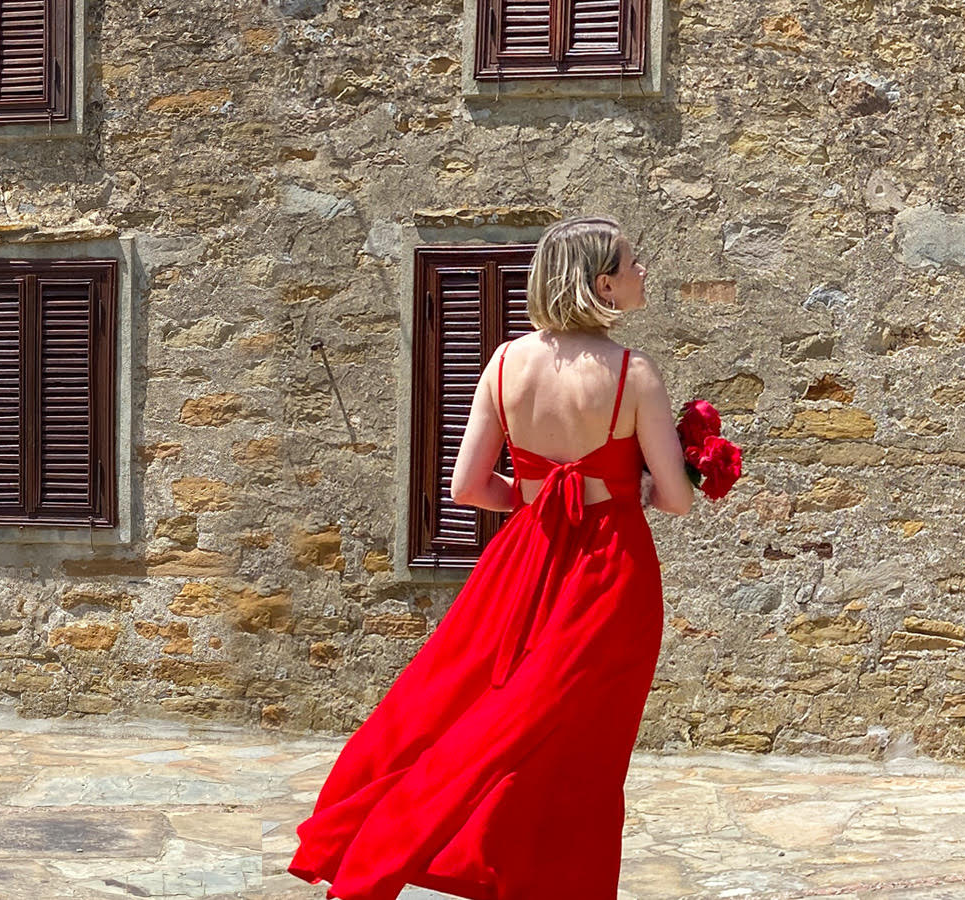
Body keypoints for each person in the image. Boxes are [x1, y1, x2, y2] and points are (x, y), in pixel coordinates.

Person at [289, 217, 695, 899]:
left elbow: (469, 488)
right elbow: (677, 500)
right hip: (608, 572)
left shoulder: (504, 363)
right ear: (602, 284)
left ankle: (383, 835)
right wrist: (644, 485)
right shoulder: (634, 373)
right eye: (632, 263)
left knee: (469, 711)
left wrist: (539, 498)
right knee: (582, 748)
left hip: (522, 562)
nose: (643, 271)